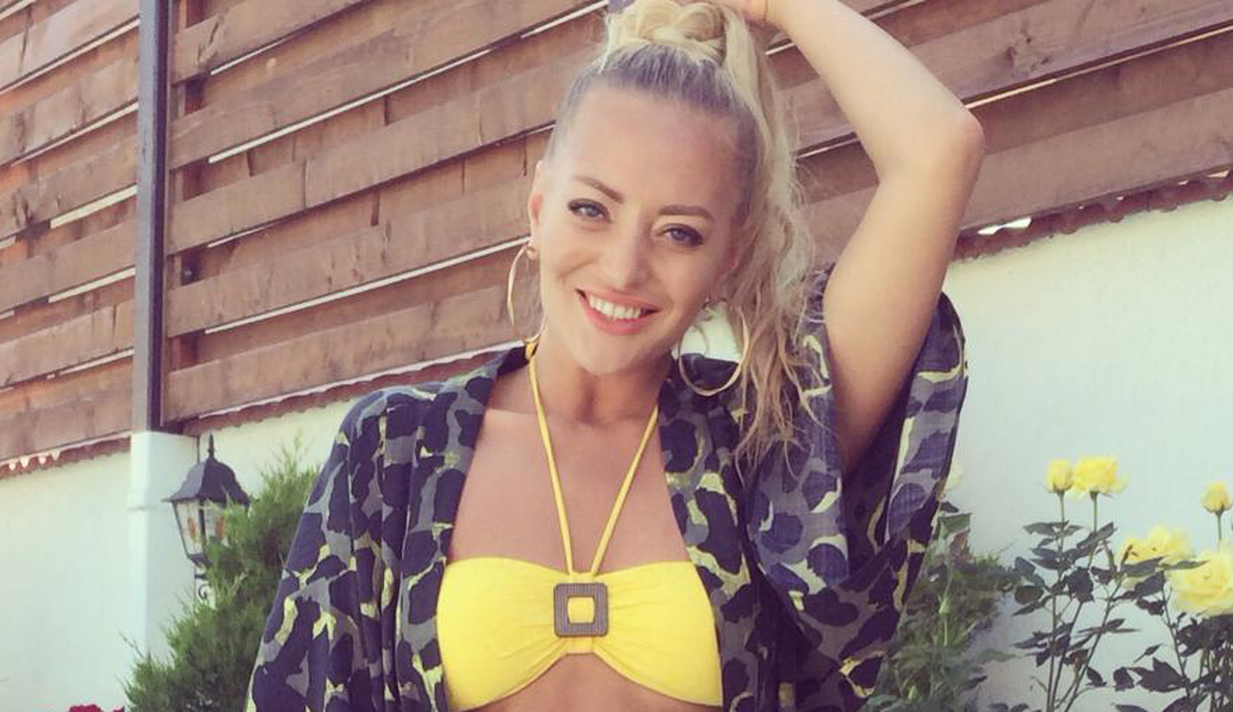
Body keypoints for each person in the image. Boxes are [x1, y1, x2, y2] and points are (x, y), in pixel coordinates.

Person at [243, 0, 983, 710]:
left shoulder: (765, 442)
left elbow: (939, 152)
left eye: (679, 232)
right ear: (539, 210)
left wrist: (780, 5)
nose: (624, 269)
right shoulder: (397, 452)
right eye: (591, 209)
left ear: (728, 256)